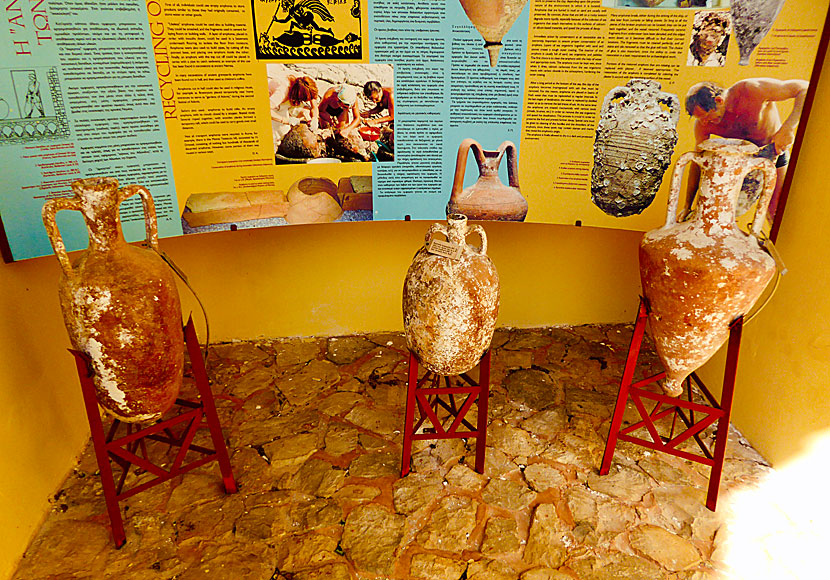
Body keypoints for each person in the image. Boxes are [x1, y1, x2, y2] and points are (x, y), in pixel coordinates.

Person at [684, 78, 809, 217]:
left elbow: (804, 88)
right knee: (724, 214)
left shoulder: (750, 90)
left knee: (775, 212)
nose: (704, 122)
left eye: (707, 116)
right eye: (700, 119)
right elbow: (696, 161)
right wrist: (687, 206)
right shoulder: (702, 125)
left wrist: (788, 128)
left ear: (719, 101)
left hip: (773, 151)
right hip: (739, 162)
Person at [270, 75, 319, 149]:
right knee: (280, 134)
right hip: (268, 104)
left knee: (306, 110)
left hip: (286, 100)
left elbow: (314, 107)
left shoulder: (305, 86)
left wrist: (315, 118)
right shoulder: (282, 92)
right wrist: (285, 120)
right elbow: (265, 110)